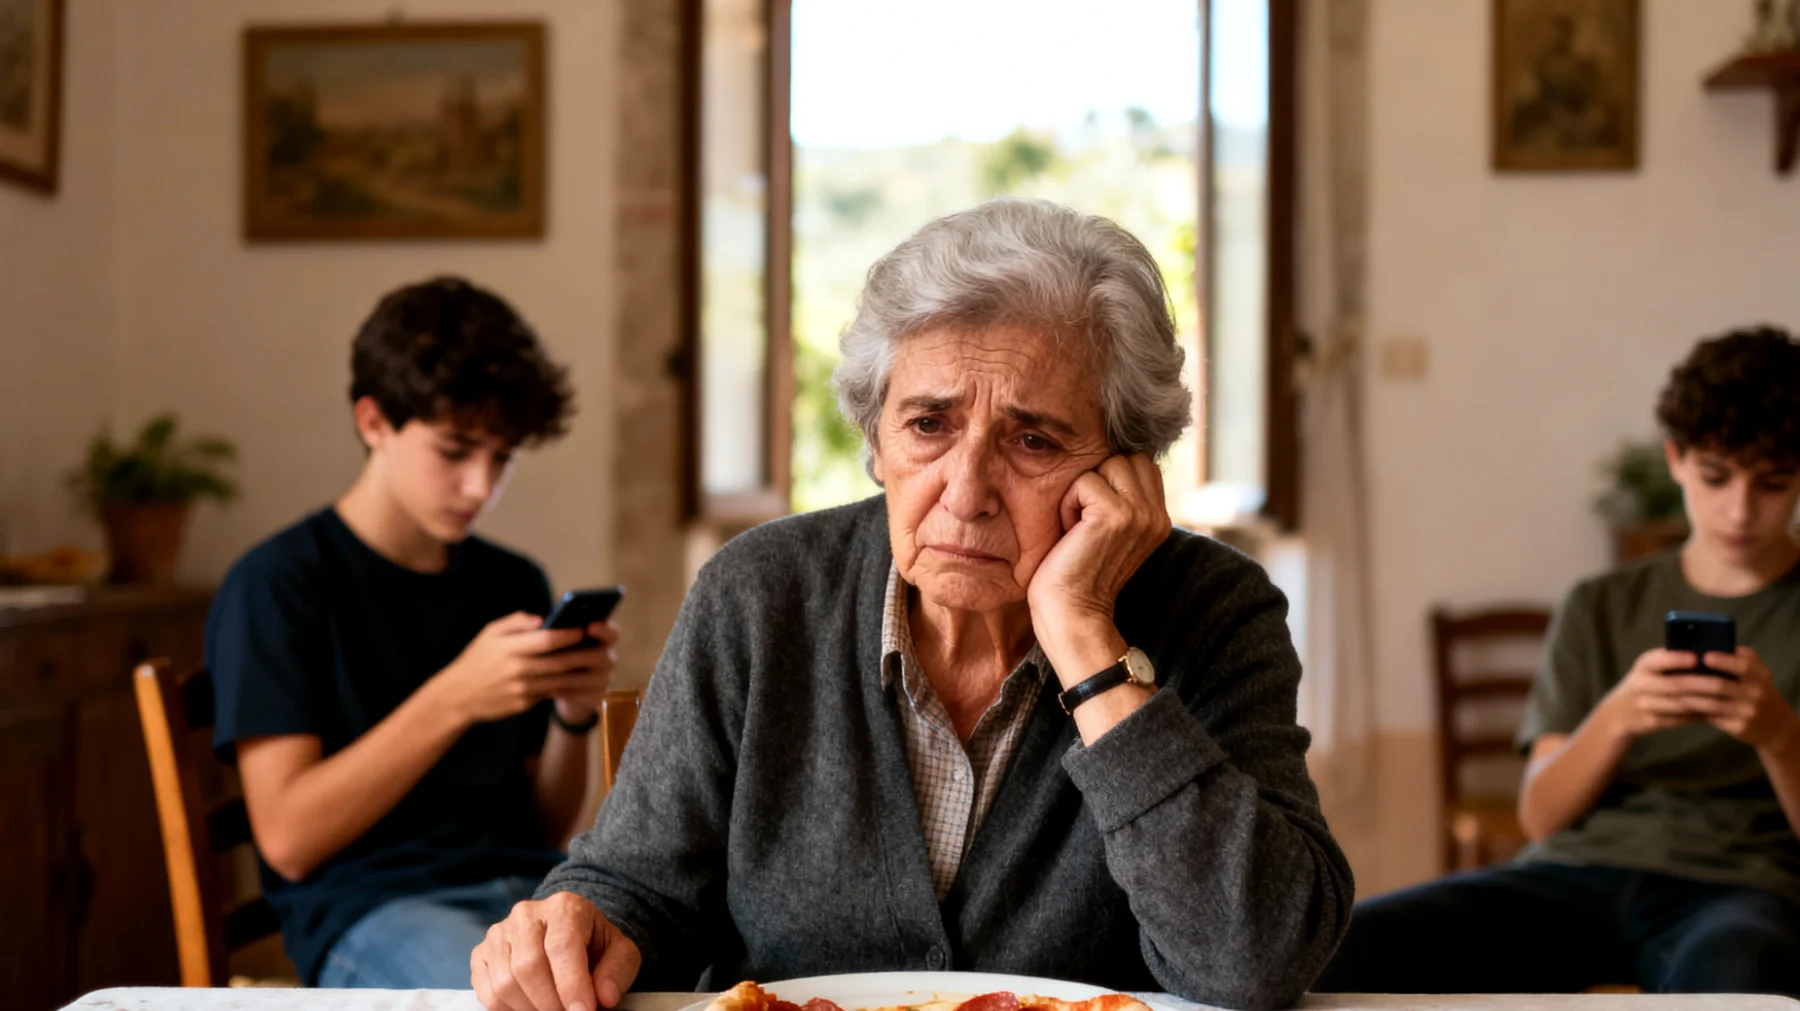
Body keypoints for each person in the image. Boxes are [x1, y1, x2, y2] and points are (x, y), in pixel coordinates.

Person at [470, 199, 1353, 1011]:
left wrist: (1089, 643)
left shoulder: (1217, 610)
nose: (965, 492)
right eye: (928, 426)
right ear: (876, 438)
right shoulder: (759, 591)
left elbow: (1258, 959)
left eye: (1034, 438)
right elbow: (640, 888)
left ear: (1122, 470)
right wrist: (573, 927)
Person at [1316, 327, 1800, 996]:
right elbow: (1541, 816)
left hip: (1743, 887)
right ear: (1677, 459)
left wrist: (1778, 733)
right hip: (1576, 872)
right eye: (1716, 476)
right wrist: (1618, 716)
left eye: (1773, 482)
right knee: (1344, 946)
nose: (1740, 509)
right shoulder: (1601, 603)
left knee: (1740, 970)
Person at [207, 276, 619, 989]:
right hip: (372, 909)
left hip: (524, 892)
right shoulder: (277, 584)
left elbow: (546, 829)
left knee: (692, 982)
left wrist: (572, 717)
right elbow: (290, 840)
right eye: (455, 450)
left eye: (502, 457)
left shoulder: (511, 579)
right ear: (373, 422)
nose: (479, 486)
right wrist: (456, 696)